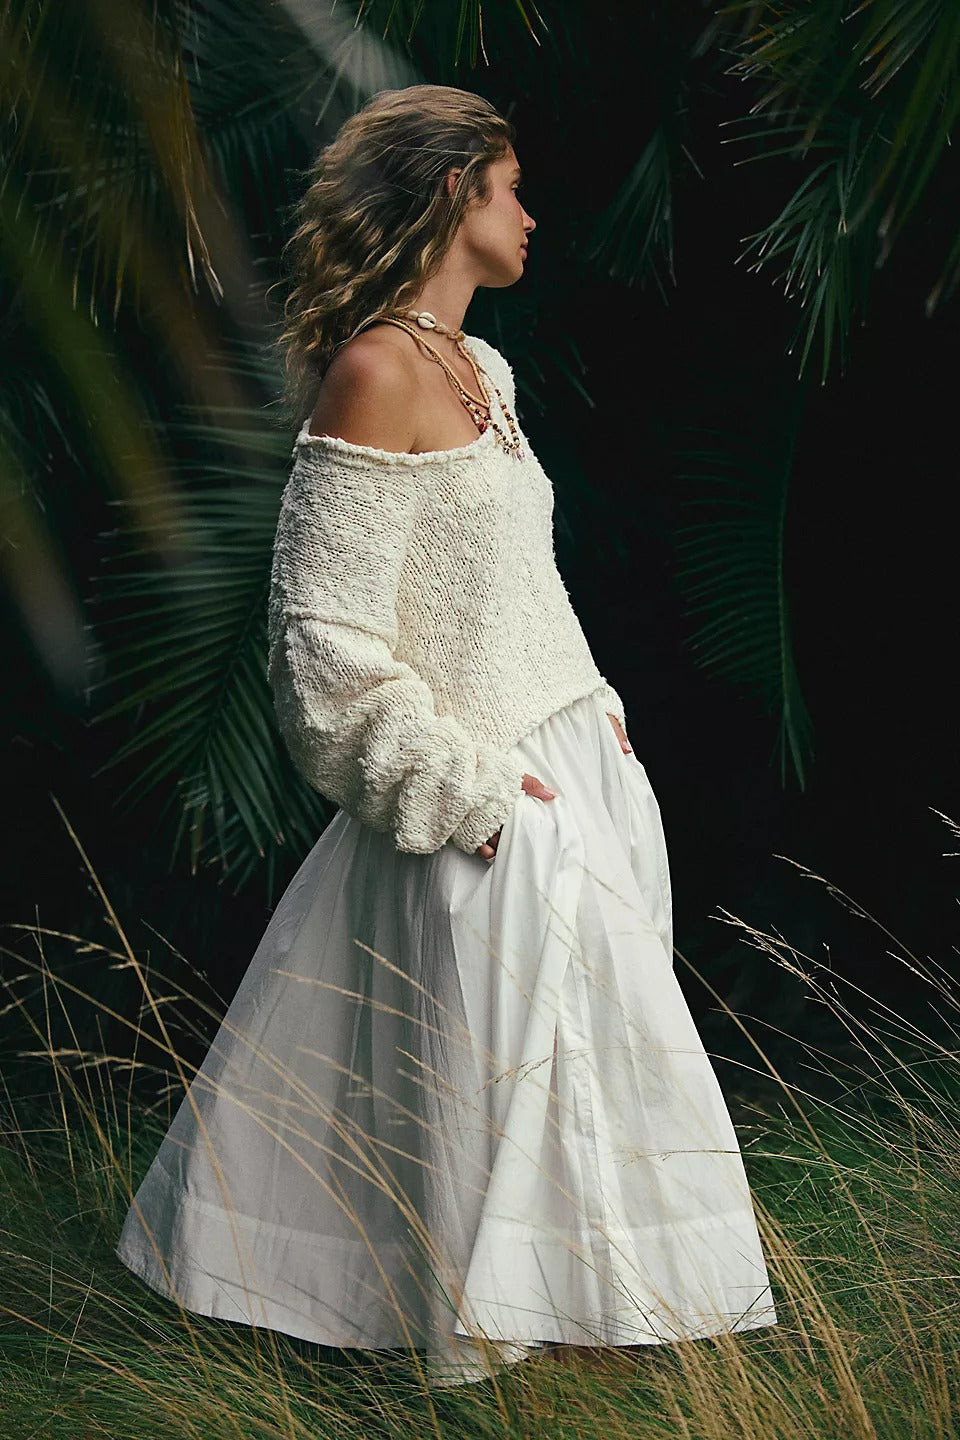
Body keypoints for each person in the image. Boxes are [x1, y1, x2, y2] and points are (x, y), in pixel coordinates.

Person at [115, 83, 778, 1388]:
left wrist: (603, 723)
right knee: (484, 1083)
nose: (531, 216)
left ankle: (583, 1354)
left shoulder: (489, 373)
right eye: (510, 189)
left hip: (567, 775)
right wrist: (475, 798)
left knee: (597, 1074)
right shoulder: (373, 371)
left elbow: (511, 587)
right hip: (476, 799)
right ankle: (466, 1358)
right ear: (450, 194)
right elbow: (322, 648)